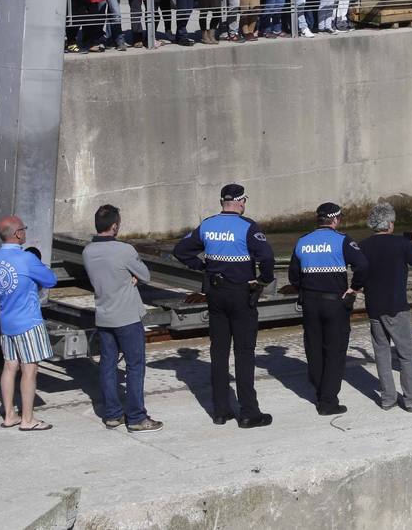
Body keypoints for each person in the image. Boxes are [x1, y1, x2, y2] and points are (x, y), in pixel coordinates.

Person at [172, 184, 276, 427]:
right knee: (244, 353)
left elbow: (181, 251)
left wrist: (203, 268)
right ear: (240, 202)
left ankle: (220, 411)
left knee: (218, 352)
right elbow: (268, 257)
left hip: (215, 294)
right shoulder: (248, 226)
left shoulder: (207, 225)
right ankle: (249, 411)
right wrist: (263, 279)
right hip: (241, 293)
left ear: (222, 202)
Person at [83, 204, 162, 433]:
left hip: (104, 315)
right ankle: (137, 416)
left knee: (107, 365)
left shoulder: (88, 251)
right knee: (135, 366)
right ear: (115, 226)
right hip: (127, 316)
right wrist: (132, 276)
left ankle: (112, 415)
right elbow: (145, 275)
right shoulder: (124, 250)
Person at [288, 202, 369, 416]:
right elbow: (363, 265)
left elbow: (293, 276)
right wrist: (354, 288)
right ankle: (328, 401)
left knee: (314, 348)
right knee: (335, 350)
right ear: (335, 220)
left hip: (310, 303)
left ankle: (319, 390)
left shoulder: (302, 241)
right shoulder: (342, 240)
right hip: (335, 302)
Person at [358, 202, 412, 413]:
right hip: (396, 305)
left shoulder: (363, 245)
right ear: (389, 223)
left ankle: (388, 398)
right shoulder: (401, 243)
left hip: (374, 305)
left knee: (381, 353)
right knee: (407, 353)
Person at [0, 215, 58, 431]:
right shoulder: (26, 259)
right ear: (18, 233)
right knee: (30, 370)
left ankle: (9, 414)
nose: (25, 232)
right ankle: (28, 419)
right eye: (24, 229)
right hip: (28, 321)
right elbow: (51, 280)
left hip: (6, 320)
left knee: (10, 367)